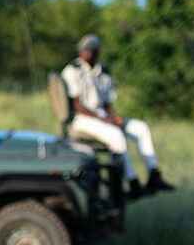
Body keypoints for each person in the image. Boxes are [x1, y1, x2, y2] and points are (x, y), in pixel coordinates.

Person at [61, 34, 172, 194]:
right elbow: (77, 105)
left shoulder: (103, 71)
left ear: (97, 51)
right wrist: (105, 119)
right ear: (81, 52)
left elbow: (107, 103)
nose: (89, 53)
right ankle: (132, 182)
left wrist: (114, 117)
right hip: (82, 119)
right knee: (116, 136)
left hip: (102, 116)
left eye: (92, 50)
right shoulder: (72, 70)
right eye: (86, 50)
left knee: (141, 128)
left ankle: (154, 175)